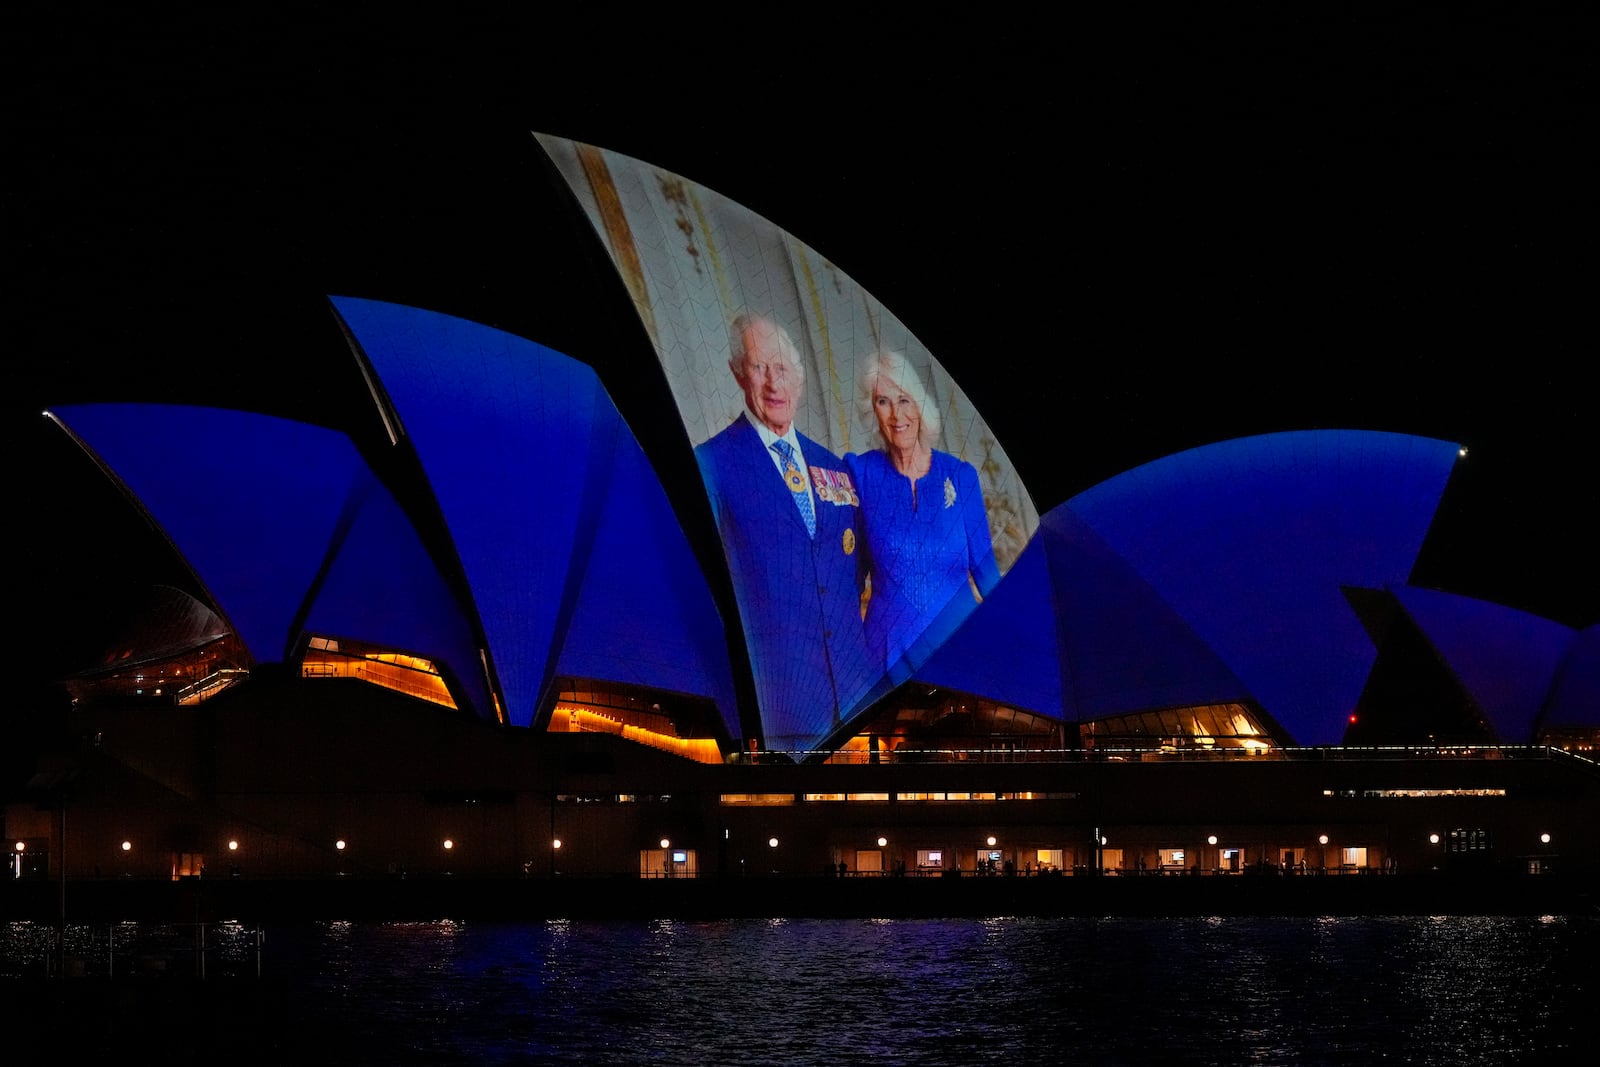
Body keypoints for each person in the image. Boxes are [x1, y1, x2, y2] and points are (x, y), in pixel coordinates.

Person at [695, 314, 875, 751]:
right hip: (776, 710)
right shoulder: (711, 465)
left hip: (856, 704)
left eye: (783, 368)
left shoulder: (835, 468)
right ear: (739, 373)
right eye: (760, 368)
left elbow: (853, 576)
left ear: (801, 376)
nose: (774, 383)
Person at [846, 348, 1000, 678]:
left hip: (960, 652)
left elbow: (987, 574)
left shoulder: (960, 476)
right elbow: (850, 578)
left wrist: (1013, 642)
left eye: (903, 400)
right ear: (871, 410)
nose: (895, 415)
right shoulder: (859, 474)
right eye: (882, 401)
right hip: (885, 662)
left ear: (919, 404)